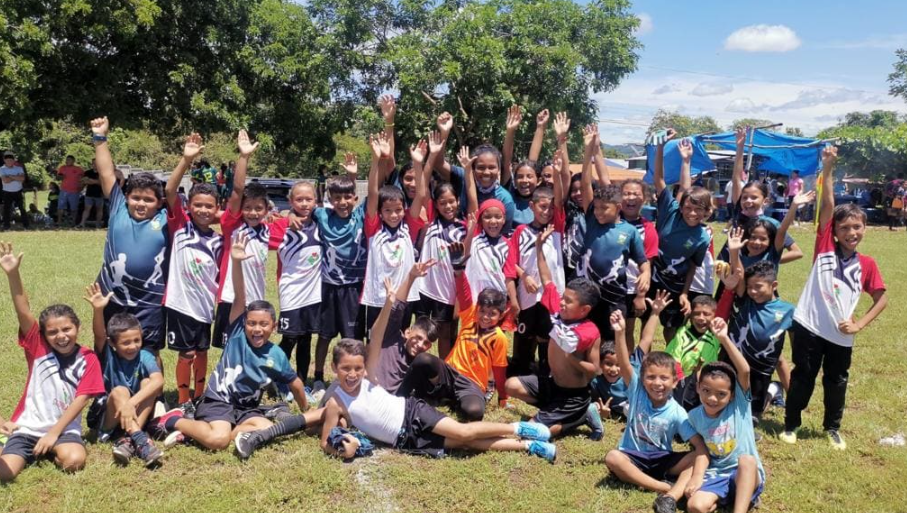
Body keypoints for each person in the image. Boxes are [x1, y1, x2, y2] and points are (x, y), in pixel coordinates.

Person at [152, 233, 317, 457]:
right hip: (219, 401)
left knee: (268, 428)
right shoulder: (237, 332)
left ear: (274, 326)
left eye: (263, 324)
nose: (257, 329)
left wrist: (306, 410)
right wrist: (237, 262)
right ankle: (174, 420)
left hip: (246, 409)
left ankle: (195, 433)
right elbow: (240, 295)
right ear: (244, 323)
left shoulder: (276, 354)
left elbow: (296, 383)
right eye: (252, 323)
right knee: (218, 441)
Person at [781, 146, 888, 450]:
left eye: (857, 227)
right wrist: (827, 169)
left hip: (842, 333)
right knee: (804, 375)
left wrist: (860, 324)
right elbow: (828, 204)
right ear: (834, 232)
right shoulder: (824, 247)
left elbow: (882, 298)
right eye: (845, 228)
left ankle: (832, 427)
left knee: (836, 380)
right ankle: (791, 424)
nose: (851, 232)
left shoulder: (867, 265)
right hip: (809, 325)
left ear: (864, 229)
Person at [320, 338, 557, 462]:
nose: (352, 374)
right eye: (345, 369)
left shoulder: (368, 375)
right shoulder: (335, 403)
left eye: (357, 368)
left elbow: (378, 333)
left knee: (463, 433)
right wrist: (344, 451)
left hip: (411, 412)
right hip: (405, 440)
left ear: (364, 367)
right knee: (466, 444)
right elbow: (325, 443)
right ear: (333, 368)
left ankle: (521, 428)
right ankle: (528, 445)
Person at [0, 242, 105, 482]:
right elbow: (23, 312)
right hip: (27, 428)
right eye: (53, 332)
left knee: (74, 461)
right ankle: (13, 442)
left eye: (67, 329)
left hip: (64, 430)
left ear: (77, 327)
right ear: (44, 336)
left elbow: (81, 400)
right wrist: (13, 274)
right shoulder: (38, 349)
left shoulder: (87, 358)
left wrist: (53, 434)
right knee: (4, 474)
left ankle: (47, 450)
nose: (61, 336)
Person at [396, 229, 510, 421]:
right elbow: (465, 295)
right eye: (482, 311)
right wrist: (458, 270)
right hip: (448, 372)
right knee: (423, 360)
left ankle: (450, 399)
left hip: (472, 384)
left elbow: (499, 369)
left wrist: (503, 397)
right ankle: (398, 398)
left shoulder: (498, 338)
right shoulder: (470, 319)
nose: (485, 317)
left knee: (473, 412)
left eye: (492, 314)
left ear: (501, 315)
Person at [605, 308, 709, 513]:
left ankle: (670, 498)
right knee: (612, 457)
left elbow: (700, 447)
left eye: (664, 378)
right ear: (642, 380)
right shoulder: (637, 392)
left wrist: (697, 475)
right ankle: (663, 487)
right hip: (632, 455)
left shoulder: (678, 412)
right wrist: (619, 332)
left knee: (693, 460)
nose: (657, 383)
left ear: (675, 381)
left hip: (662, 459)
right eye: (651, 377)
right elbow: (625, 364)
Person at [505, 225, 601, 437]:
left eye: (569, 301)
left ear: (584, 309)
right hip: (552, 385)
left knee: (531, 432)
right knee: (511, 385)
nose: (562, 303)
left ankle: (580, 414)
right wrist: (539, 247)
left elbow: (594, 369)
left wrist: (570, 357)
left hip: (573, 395)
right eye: (563, 298)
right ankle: (553, 411)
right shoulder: (557, 309)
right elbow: (546, 276)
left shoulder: (588, 331)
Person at [91, 117, 169, 363]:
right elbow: (106, 172)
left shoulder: (168, 218)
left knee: (149, 351)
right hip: (112, 296)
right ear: (126, 197)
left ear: (160, 203)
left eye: (148, 200)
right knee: (105, 344)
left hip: (150, 301)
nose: (141, 204)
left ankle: (155, 397)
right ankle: (103, 393)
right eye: (136, 198)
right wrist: (100, 138)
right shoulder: (117, 208)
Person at [164, 133, 224, 411]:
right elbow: (169, 191)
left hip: (204, 308)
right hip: (180, 305)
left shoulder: (218, 240)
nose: (202, 210)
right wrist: (186, 160)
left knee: (202, 351)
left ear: (216, 210)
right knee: (186, 354)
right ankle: (183, 399)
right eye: (197, 205)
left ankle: (199, 396)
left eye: (208, 206)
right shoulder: (181, 228)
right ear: (188, 207)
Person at [577, 124, 650, 344]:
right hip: (587, 294)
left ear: (617, 208)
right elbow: (586, 181)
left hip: (615, 298)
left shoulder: (629, 232)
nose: (598, 212)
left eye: (603, 208)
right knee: (585, 340)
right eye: (596, 207)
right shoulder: (591, 219)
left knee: (610, 343)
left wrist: (645, 274)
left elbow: (643, 262)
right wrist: (589, 150)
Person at [685, 317, 765, 513]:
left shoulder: (739, 408)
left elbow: (744, 370)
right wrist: (696, 477)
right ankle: (730, 499)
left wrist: (723, 339)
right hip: (717, 474)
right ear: (698, 388)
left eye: (721, 394)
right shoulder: (694, 416)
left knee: (747, 460)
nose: (712, 398)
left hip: (745, 474)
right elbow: (700, 451)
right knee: (694, 506)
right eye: (706, 391)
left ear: (732, 396)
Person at [83, 283, 165, 467]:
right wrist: (98, 310)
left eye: (137, 340)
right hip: (110, 419)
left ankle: (129, 438)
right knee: (120, 391)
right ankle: (141, 441)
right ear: (113, 343)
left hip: (132, 413)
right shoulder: (108, 354)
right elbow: (99, 335)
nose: (133, 346)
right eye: (126, 343)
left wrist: (130, 404)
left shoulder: (144, 355)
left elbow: (158, 381)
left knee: (148, 383)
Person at [504, 145, 566, 376]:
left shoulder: (557, 228)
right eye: (542, 207)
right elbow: (511, 264)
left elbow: (559, 200)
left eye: (550, 209)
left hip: (552, 293)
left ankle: (547, 372)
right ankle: (521, 370)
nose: (547, 212)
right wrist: (524, 276)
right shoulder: (521, 231)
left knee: (548, 336)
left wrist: (558, 174)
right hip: (527, 294)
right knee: (524, 334)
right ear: (531, 206)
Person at [360, 133, 427, 339]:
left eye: (398, 210)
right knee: (375, 340)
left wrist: (417, 164)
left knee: (399, 340)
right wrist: (375, 160)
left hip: (403, 296)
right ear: (380, 212)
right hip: (377, 297)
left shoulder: (409, 226)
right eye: (388, 211)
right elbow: (373, 193)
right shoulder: (374, 228)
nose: (394, 215)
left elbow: (421, 195)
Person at [309, 156, 365, 391]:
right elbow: (299, 211)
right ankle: (319, 375)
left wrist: (353, 175)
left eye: (347, 197)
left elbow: (370, 187)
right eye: (337, 198)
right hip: (328, 286)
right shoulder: (322, 215)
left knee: (352, 338)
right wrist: (290, 216)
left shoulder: (361, 214)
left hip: (353, 288)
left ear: (355, 199)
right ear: (329, 200)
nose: (342, 202)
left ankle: (354, 375)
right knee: (324, 334)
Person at [717, 254, 794, 427]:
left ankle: (772, 391)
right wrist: (735, 252)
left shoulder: (788, 311)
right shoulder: (746, 301)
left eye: (758, 287)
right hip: (732, 362)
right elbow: (740, 274)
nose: (752, 291)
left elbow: (797, 343)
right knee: (724, 405)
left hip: (761, 371)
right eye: (750, 287)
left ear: (774, 285)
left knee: (752, 417)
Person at [650, 132, 712, 342]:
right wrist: (661, 148)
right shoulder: (671, 212)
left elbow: (693, 266)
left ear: (707, 212)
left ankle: (674, 370)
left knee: (671, 333)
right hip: (650, 282)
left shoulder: (702, 237)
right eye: (688, 207)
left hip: (674, 289)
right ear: (682, 206)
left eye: (699, 210)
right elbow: (660, 180)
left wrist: (684, 293)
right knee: (646, 326)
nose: (692, 213)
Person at [212, 131, 270, 350]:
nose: (253, 213)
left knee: (253, 346)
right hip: (230, 297)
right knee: (229, 347)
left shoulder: (267, 231)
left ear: (266, 210)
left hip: (256, 301)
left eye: (258, 208)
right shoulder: (233, 225)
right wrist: (244, 157)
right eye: (248, 208)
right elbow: (237, 191)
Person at [414, 132, 466, 359]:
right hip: (425, 289)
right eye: (442, 202)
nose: (448, 206)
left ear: (458, 202)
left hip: (448, 293)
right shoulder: (430, 222)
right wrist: (429, 157)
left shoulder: (464, 228)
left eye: (452, 202)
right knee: (420, 333)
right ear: (436, 204)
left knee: (446, 336)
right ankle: (415, 372)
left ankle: (445, 375)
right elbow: (422, 189)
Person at [270, 181, 322, 384]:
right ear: (291, 201)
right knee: (290, 337)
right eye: (299, 199)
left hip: (313, 294)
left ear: (315, 201)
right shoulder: (282, 226)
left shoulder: (321, 224)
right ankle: (273, 377)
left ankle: (301, 381)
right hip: (291, 292)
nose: (304, 204)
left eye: (309, 199)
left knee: (306, 338)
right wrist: (286, 215)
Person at [368, 262, 438, 394]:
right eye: (418, 337)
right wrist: (411, 277)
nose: (420, 344)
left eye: (426, 343)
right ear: (407, 332)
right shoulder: (391, 339)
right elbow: (396, 309)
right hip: (371, 393)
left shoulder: (418, 364)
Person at [1, 151, 30, 230]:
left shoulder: (19, 168)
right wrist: (16, 177)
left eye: (11, 160)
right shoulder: (2, 169)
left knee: (22, 209)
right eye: (8, 160)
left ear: (13, 161)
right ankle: (6, 226)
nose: (9, 162)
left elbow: (22, 179)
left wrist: (10, 176)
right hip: (7, 192)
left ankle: (26, 225)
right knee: (6, 209)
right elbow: (5, 180)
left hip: (18, 191)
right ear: (4, 160)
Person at [56, 155, 84, 225]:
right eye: (66, 160)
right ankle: (59, 221)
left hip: (74, 191)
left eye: (69, 160)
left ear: (73, 161)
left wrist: (82, 187)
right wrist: (60, 176)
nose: (67, 161)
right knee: (60, 206)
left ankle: (73, 222)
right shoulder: (62, 168)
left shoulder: (78, 169)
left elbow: (83, 179)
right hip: (64, 190)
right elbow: (58, 177)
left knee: (73, 208)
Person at [78, 158, 105, 228]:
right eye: (93, 163)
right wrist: (92, 181)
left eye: (96, 163)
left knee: (99, 210)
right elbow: (83, 182)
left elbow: (101, 183)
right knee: (87, 209)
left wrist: (90, 180)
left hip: (99, 194)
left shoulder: (102, 172)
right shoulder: (87, 172)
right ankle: (82, 223)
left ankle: (98, 224)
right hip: (89, 194)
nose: (95, 165)